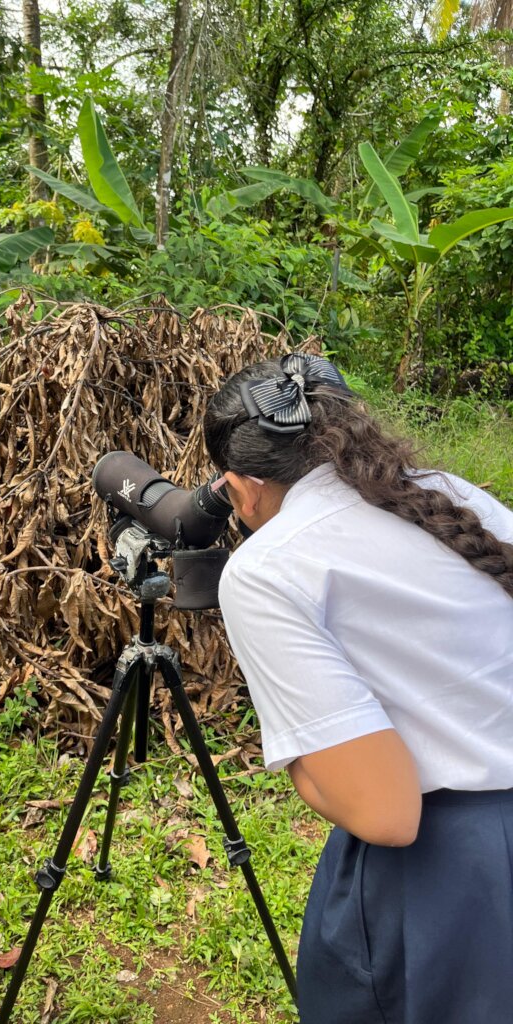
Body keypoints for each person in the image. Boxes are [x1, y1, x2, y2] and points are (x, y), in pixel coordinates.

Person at [204, 352, 513, 1024]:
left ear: (240, 489)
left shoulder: (267, 570)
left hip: (451, 879)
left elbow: (385, 814)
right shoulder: (455, 494)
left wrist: (303, 768)